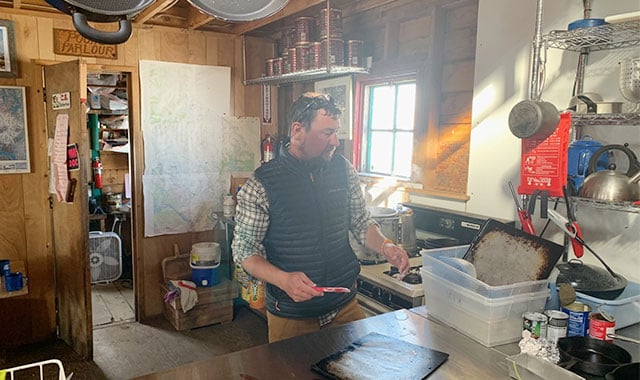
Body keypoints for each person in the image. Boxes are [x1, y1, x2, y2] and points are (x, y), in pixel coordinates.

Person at [231, 92, 410, 342]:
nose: (335, 141)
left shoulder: (343, 169)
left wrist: (385, 245)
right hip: (293, 316)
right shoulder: (262, 184)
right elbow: (244, 252)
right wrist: (284, 280)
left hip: (345, 305)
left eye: (336, 132)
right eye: (327, 133)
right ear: (297, 132)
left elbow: (360, 222)